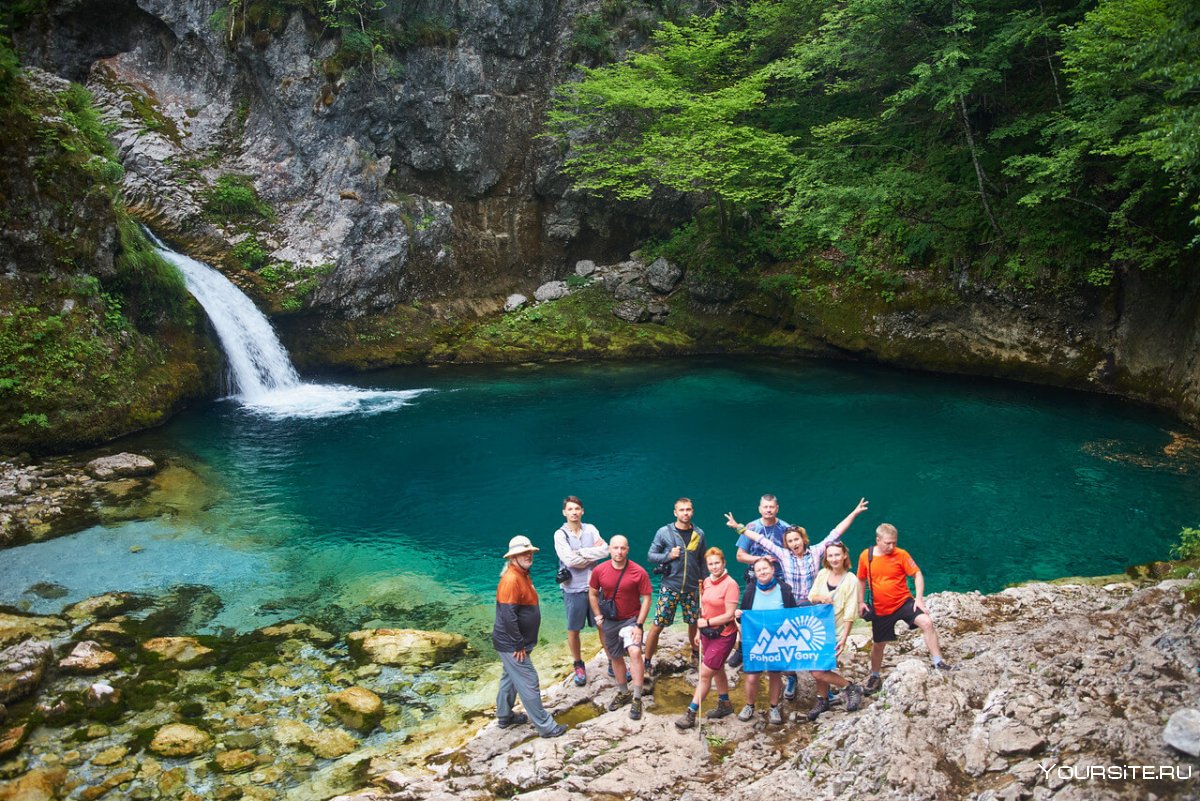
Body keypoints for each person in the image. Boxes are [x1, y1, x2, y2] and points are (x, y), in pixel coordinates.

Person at [727, 497, 869, 697]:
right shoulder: (784, 555)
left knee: (816, 650)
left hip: (813, 606)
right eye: (790, 541)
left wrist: (854, 513)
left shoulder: (818, 552)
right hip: (791, 606)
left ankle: (826, 694)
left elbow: (837, 531)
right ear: (787, 544)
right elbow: (760, 539)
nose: (794, 543)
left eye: (796, 539)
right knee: (786, 646)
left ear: (803, 539)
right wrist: (737, 527)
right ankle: (792, 678)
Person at [857, 523, 954, 695]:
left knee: (927, 623)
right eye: (887, 543)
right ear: (878, 540)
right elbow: (861, 579)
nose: (891, 546)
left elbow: (917, 574)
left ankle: (938, 661)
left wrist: (919, 599)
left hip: (903, 602)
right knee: (879, 644)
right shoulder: (867, 556)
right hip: (881, 608)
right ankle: (874, 675)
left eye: (894, 542)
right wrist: (860, 602)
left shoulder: (901, 555)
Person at [492, 535, 567, 738]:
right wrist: (518, 645)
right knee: (529, 680)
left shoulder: (522, 573)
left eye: (529, 552)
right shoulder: (511, 579)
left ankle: (504, 716)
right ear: (513, 557)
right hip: (513, 645)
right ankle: (546, 727)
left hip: (514, 643)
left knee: (509, 678)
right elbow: (508, 616)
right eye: (522, 552)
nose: (528, 555)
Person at [588, 535, 653, 720]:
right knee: (615, 656)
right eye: (615, 548)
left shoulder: (638, 572)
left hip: (630, 620)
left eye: (622, 548)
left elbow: (647, 598)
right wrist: (598, 615)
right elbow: (592, 593)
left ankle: (637, 697)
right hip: (609, 621)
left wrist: (639, 625)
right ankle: (623, 692)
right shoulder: (600, 570)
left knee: (634, 652)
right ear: (609, 549)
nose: (619, 552)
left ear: (628, 550)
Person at [675, 548, 740, 729]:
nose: (714, 567)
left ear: (724, 563)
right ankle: (725, 704)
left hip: (724, 634)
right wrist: (698, 631)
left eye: (717, 563)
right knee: (717, 668)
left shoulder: (731, 585)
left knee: (705, 673)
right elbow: (703, 610)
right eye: (710, 564)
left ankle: (691, 713)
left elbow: (729, 615)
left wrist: (708, 622)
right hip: (707, 634)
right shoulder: (707, 583)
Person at [723, 494, 790, 670]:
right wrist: (760, 559)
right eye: (765, 507)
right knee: (746, 613)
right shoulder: (752, 527)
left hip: (779, 577)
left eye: (771, 507)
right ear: (760, 509)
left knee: (780, 613)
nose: (768, 510)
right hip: (755, 576)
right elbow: (740, 556)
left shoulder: (785, 528)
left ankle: (779, 646)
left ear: (777, 509)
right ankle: (742, 648)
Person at [643, 497, 707, 672]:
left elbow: (702, 560)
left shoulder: (699, 533)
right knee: (658, 624)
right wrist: (668, 556)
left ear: (692, 511)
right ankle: (647, 661)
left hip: (692, 588)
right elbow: (650, 555)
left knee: (693, 622)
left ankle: (695, 654)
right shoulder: (664, 532)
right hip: (670, 586)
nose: (685, 513)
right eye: (682, 510)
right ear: (675, 512)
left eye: (688, 509)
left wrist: (705, 582)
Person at [735, 557, 799, 725]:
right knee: (751, 677)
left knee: (775, 675)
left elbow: (794, 616)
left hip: (778, 640)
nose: (762, 572)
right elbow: (744, 618)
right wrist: (739, 615)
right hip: (756, 640)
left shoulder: (784, 590)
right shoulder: (750, 590)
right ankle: (749, 705)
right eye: (758, 570)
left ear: (772, 569)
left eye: (765, 569)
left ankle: (774, 707)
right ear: (755, 574)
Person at [806, 541, 865, 720]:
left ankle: (850, 687)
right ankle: (823, 699)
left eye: (837, 555)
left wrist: (844, 638)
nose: (834, 559)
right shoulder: (823, 574)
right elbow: (811, 597)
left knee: (818, 670)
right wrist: (821, 598)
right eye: (830, 555)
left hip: (836, 631)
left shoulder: (851, 580)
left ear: (844, 555)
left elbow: (849, 613)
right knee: (818, 666)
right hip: (818, 629)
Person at [553, 496, 608, 686]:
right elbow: (569, 561)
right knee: (574, 628)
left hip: (595, 587)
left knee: (603, 624)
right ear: (564, 512)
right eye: (570, 509)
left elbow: (605, 550)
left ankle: (612, 659)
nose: (574, 512)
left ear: (582, 511)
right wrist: (589, 553)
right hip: (572, 589)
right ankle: (578, 664)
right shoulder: (560, 535)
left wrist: (579, 554)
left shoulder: (591, 529)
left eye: (577, 509)